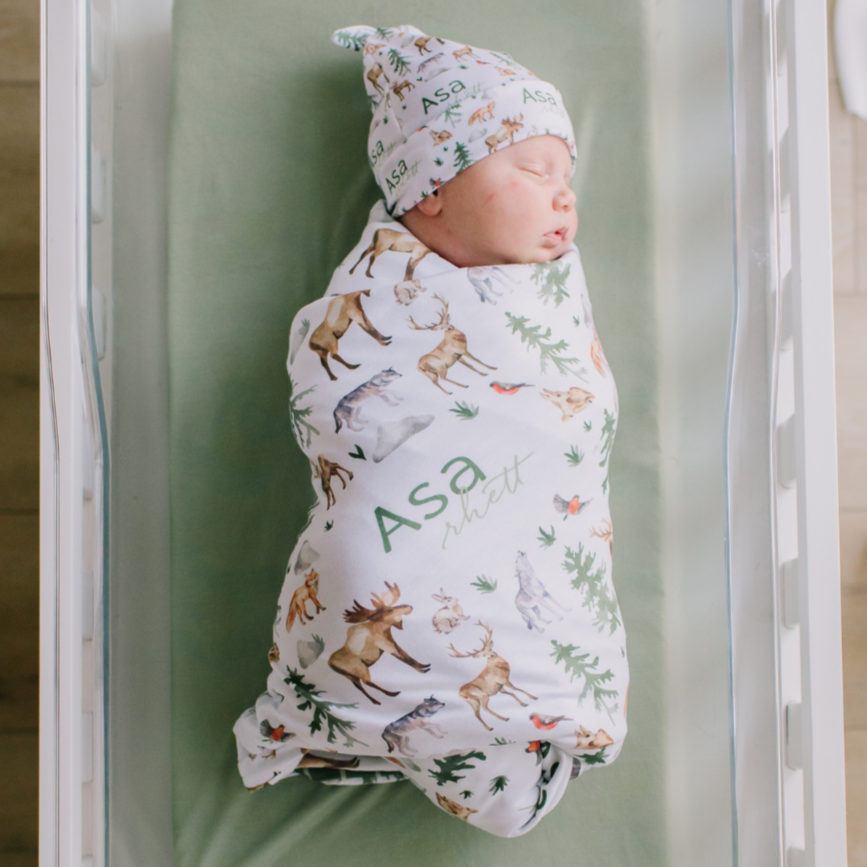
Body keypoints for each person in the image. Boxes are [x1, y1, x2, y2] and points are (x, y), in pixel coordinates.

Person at [233, 24, 628, 838]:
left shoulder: (543, 297)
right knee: (371, 575)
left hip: (516, 537)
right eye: (533, 169)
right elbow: (328, 386)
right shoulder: (378, 290)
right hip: (384, 551)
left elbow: (572, 405)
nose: (564, 196)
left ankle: (378, 725)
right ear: (433, 186)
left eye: (568, 180)